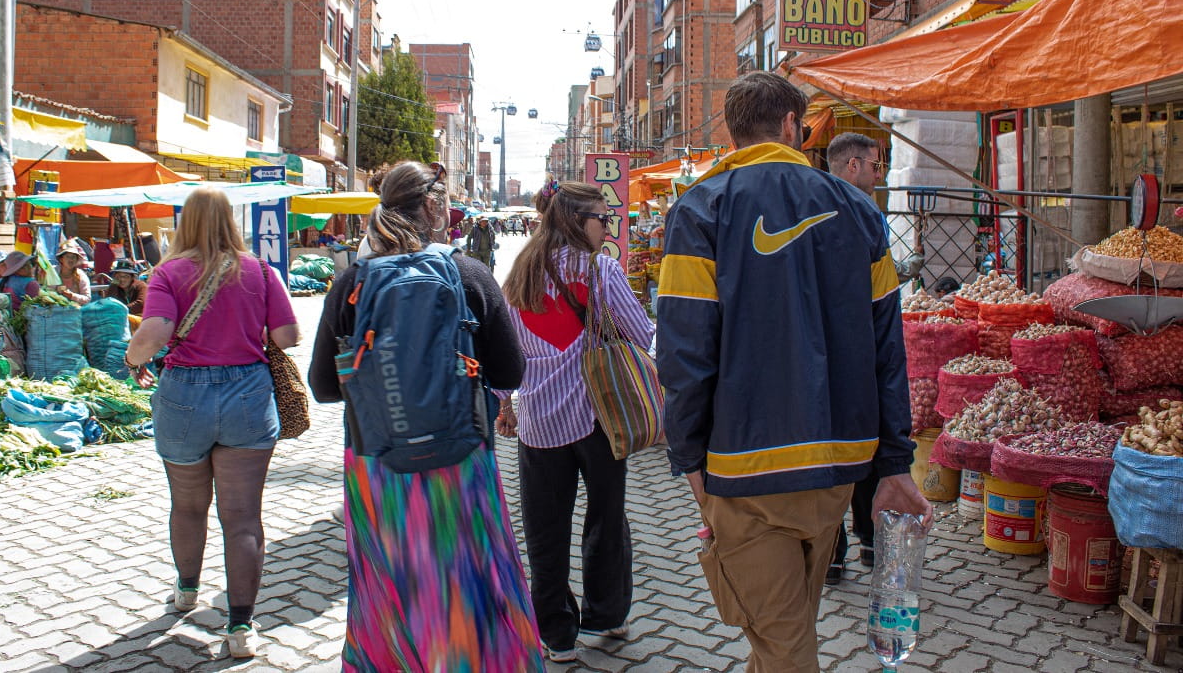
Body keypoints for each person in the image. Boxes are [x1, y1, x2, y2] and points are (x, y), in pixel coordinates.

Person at [657, 71, 932, 671]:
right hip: (837, 465)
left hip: (744, 467)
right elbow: (890, 347)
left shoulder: (701, 207)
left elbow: (682, 357)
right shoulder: (859, 212)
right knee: (786, 632)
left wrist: (690, 464)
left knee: (784, 646)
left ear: (734, 133)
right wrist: (894, 462)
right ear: (791, 127)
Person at [307, 161, 543, 671]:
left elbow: (323, 387)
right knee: (469, 577)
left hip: (378, 464)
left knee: (390, 585)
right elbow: (512, 371)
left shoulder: (352, 280)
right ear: (434, 207)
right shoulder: (470, 273)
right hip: (461, 459)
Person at [123, 186, 300, 660]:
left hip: (184, 395)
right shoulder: (261, 271)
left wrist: (134, 354)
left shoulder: (167, 272)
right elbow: (288, 335)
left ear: (187, 223)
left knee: (187, 505)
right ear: (230, 220)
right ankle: (240, 627)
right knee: (242, 518)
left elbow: (157, 329)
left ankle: (185, 592)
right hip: (248, 395)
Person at [498, 180, 655, 663]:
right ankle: (606, 616)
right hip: (600, 415)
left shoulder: (520, 272)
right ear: (575, 221)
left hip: (541, 421)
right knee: (607, 520)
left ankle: (557, 635)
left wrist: (506, 402)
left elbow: (505, 351)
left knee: (545, 530)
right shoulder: (602, 269)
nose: (608, 228)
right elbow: (642, 333)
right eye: (602, 219)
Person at [823, 132, 886, 583]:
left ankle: (839, 549)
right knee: (860, 445)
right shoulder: (858, 213)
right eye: (875, 165)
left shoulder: (808, 206)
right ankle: (855, 542)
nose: (879, 174)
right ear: (852, 166)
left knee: (841, 450)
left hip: (828, 347)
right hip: (851, 344)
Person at [105, 259, 148, 324]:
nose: (122, 279)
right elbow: (109, 301)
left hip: (140, 320)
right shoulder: (115, 286)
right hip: (120, 318)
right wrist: (114, 283)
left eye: (126, 276)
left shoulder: (141, 286)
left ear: (132, 277)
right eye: (119, 276)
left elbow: (141, 303)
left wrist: (121, 310)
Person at [54, 238, 92, 305]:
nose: (71, 260)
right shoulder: (54, 273)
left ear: (77, 260)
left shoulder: (81, 275)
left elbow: (87, 298)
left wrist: (72, 296)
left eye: (73, 257)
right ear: (61, 259)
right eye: (68, 257)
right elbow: (47, 291)